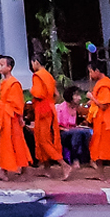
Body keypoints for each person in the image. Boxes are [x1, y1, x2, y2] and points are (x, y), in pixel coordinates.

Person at [28, 51, 67, 181]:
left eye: (32, 63)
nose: (32, 65)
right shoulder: (49, 76)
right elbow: (56, 94)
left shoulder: (38, 75)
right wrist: (50, 103)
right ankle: (47, 169)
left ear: (36, 63)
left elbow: (38, 93)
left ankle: (64, 165)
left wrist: (31, 91)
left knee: (44, 140)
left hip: (42, 109)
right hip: (48, 108)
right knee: (41, 137)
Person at [0, 55, 31, 181]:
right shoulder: (3, 83)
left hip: (12, 118)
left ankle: (24, 169)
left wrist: (20, 118)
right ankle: (4, 171)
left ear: (9, 67)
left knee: (17, 144)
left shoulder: (14, 83)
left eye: (2, 65)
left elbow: (18, 103)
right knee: (4, 145)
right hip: (4, 117)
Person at [84, 62, 110, 180]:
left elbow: (104, 105)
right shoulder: (100, 83)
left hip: (107, 120)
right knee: (98, 146)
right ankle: (100, 174)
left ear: (97, 71)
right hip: (100, 119)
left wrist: (92, 98)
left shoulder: (105, 84)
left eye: (91, 71)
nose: (90, 75)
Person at [59, 86, 92, 168]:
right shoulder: (61, 108)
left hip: (75, 132)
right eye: (76, 95)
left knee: (86, 132)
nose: (79, 98)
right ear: (70, 97)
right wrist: (68, 129)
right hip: (63, 133)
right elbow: (56, 126)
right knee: (78, 133)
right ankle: (75, 159)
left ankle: (87, 159)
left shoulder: (77, 108)